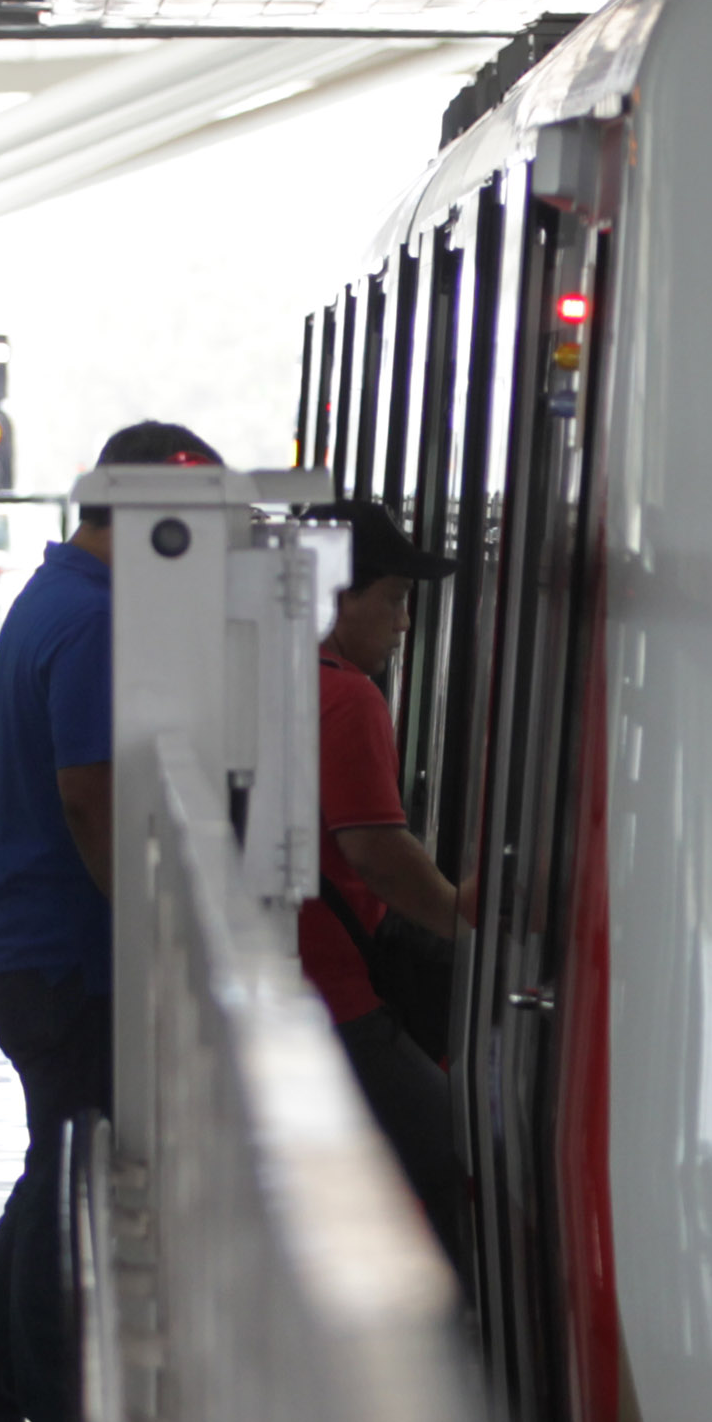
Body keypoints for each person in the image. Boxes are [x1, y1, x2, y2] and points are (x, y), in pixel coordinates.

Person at [0, 420, 216, 1422]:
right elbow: (92, 797)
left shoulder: (55, 602)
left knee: (57, 1174)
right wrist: (152, 933)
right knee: (68, 1189)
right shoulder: (94, 624)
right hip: (71, 956)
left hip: (36, 948)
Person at [300, 499, 473, 1281]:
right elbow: (374, 852)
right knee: (456, 1155)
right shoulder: (346, 696)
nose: (405, 623)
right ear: (338, 593)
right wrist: (459, 915)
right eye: (396, 599)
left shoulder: (263, 674)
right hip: (335, 997)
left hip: (284, 983)